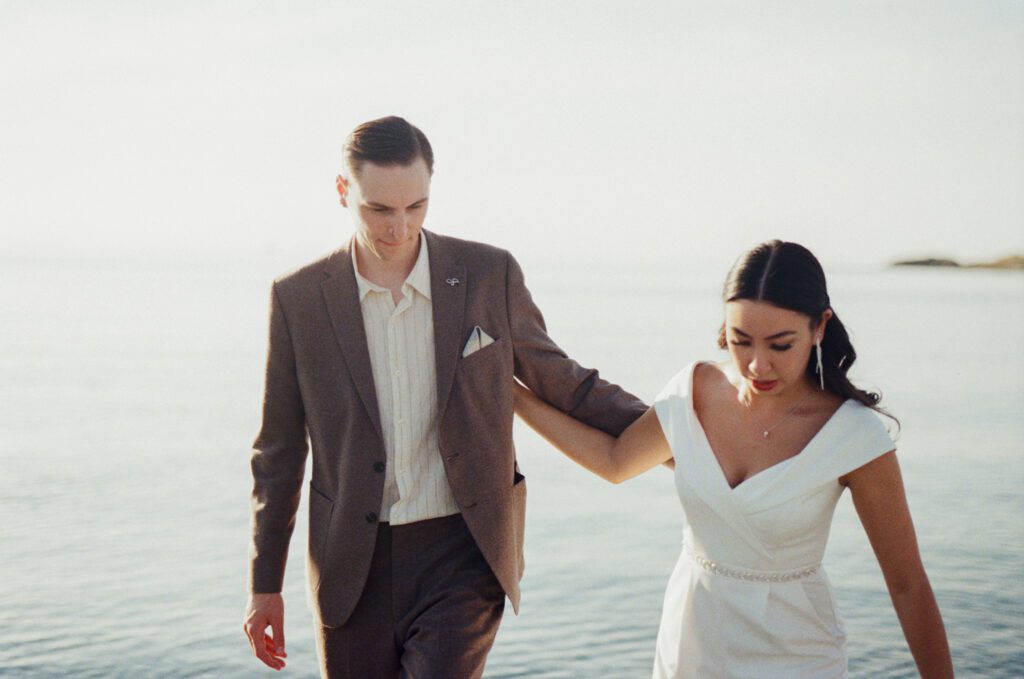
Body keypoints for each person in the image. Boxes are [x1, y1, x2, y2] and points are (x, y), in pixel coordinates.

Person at [241, 116, 646, 678]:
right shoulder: (299, 299)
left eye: (416, 206)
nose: (399, 228)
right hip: (349, 565)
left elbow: (563, 381)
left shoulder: (487, 275)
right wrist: (265, 588)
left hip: (463, 552)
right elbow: (279, 452)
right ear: (342, 192)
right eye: (378, 209)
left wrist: (679, 431)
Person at [513, 240, 953, 678]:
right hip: (690, 642)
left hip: (796, 655)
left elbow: (908, 585)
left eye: (780, 346)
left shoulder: (854, 436)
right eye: (742, 341)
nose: (758, 365)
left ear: (820, 327)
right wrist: (512, 396)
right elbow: (614, 462)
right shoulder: (694, 390)